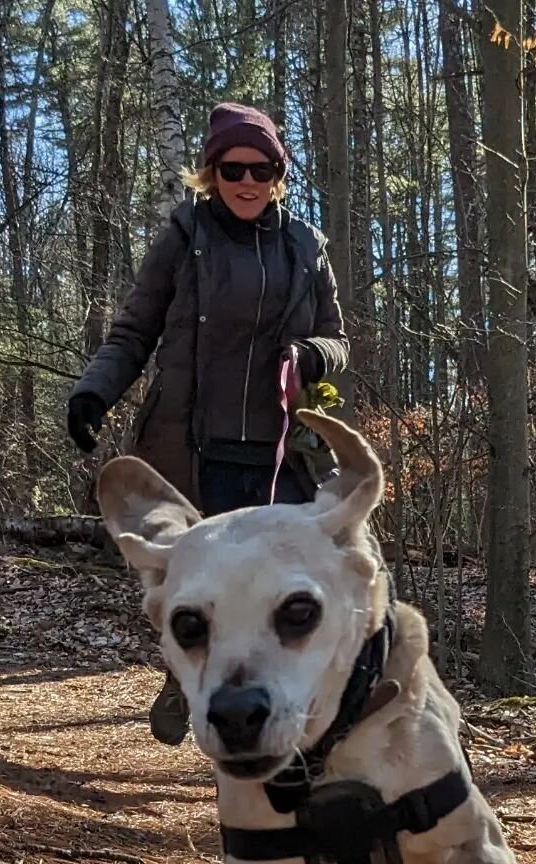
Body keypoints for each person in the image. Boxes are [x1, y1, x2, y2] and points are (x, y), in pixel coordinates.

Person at [67, 102, 349, 743]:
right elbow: (134, 331)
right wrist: (93, 393)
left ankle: (289, 726)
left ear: (280, 171)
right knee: (208, 586)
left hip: (282, 454)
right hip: (196, 451)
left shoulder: (306, 247)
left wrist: (311, 356)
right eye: (232, 169)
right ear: (210, 172)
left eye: (263, 168)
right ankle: (190, 675)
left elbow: (338, 341)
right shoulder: (184, 238)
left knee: (283, 591)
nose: (248, 181)